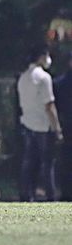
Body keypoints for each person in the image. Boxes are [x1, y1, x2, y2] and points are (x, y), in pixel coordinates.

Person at [18, 44, 64, 201]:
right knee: (47, 164)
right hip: (43, 126)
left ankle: (26, 194)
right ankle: (50, 196)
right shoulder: (44, 78)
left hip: (27, 124)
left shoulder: (23, 77)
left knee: (28, 163)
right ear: (41, 57)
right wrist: (57, 128)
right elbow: (49, 105)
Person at [54, 51, 72, 200]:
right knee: (66, 161)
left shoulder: (59, 83)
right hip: (67, 126)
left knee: (66, 161)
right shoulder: (60, 83)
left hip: (66, 126)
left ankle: (66, 193)